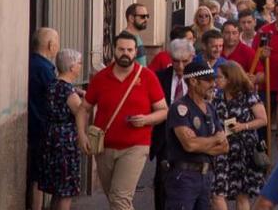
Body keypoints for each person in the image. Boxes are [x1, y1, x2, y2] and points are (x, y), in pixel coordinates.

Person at [75, 31, 168, 210]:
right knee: (116, 200)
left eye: (130, 50)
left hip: (135, 146)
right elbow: (83, 109)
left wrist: (146, 119)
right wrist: (81, 134)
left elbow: (163, 111)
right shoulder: (101, 78)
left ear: (135, 52)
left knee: (120, 198)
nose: (125, 53)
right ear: (114, 51)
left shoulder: (148, 77)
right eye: (121, 49)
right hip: (104, 147)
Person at [164, 61, 230, 209]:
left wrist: (200, 144)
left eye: (214, 80)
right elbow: (189, 145)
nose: (213, 84)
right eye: (208, 81)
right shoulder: (180, 108)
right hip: (184, 177)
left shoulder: (210, 108)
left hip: (206, 176)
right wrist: (213, 140)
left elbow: (224, 146)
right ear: (193, 81)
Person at [212, 61, 268, 210]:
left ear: (230, 78)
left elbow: (263, 120)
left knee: (241, 194)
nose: (216, 81)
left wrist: (243, 126)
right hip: (222, 150)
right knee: (217, 192)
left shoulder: (248, 95)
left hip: (244, 150)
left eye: (219, 77)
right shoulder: (217, 97)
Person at [149, 38, 195, 210]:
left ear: (192, 57)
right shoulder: (160, 77)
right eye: (176, 61)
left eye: (185, 61)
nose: (181, 66)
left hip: (192, 136)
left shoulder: (200, 79)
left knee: (188, 182)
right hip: (166, 137)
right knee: (162, 182)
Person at [37, 49, 83, 210]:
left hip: (51, 137)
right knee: (66, 190)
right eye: (79, 63)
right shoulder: (68, 90)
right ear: (71, 67)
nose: (80, 66)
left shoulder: (53, 85)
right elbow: (80, 112)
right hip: (66, 142)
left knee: (57, 190)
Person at [28, 27, 60, 210]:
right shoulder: (44, 68)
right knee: (39, 177)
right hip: (41, 127)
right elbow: (55, 93)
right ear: (51, 45)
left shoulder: (32, 63)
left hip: (35, 125)